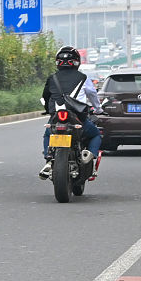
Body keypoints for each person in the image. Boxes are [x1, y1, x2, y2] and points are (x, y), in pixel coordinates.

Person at [39, 46, 103, 180]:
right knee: (96, 134)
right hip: (77, 117)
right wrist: (98, 109)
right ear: (77, 62)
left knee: (48, 134)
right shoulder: (83, 78)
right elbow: (92, 94)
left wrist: (47, 110)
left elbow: (45, 97)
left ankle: (49, 158)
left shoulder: (52, 78)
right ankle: (89, 154)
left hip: (57, 117)